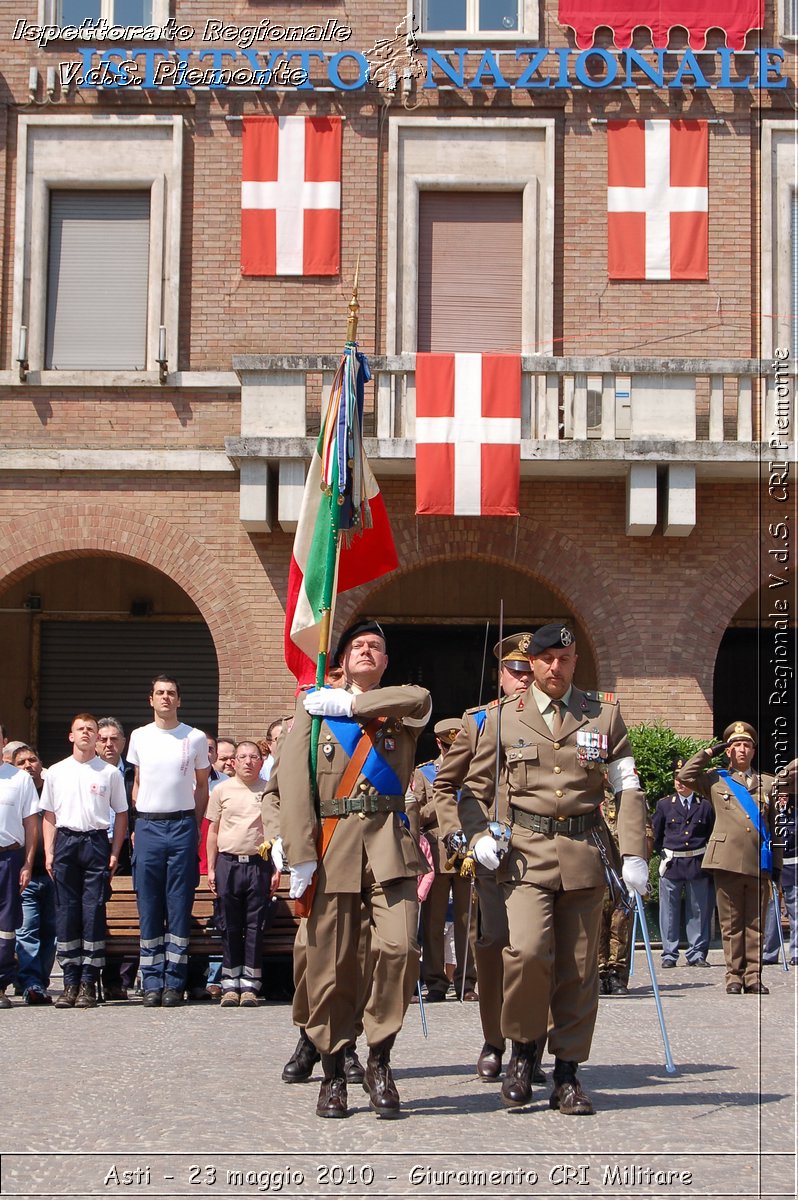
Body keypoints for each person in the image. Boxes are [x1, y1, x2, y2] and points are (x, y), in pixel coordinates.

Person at [460, 622, 649, 1114]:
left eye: (564, 660)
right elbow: (473, 790)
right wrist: (479, 835)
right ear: (533, 664)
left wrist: (633, 854)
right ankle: (522, 1049)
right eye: (545, 660)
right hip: (525, 855)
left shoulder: (603, 715)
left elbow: (627, 786)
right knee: (525, 953)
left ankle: (567, 1071)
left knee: (580, 970)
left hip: (585, 855)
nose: (554, 668)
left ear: (573, 663)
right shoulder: (502, 719)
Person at [280, 619, 431, 1119]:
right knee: (331, 966)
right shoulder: (312, 711)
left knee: (400, 947)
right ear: (341, 660)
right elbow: (295, 785)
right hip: (332, 847)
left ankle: (380, 1056)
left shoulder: (399, 706)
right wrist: (300, 852)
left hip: (389, 846)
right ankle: (332, 1071)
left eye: (377, 647)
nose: (368, 651)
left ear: (385, 662)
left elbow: (420, 699)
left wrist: (349, 704)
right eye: (358, 646)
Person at [433, 633, 544, 1082]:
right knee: (494, 946)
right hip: (496, 856)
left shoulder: (557, 721)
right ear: (500, 677)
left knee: (537, 951)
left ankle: (531, 1041)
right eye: (513, 671)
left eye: (527, 670)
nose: (521, 679)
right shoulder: (478, 722)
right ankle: (495, 1039)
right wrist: (463, 836)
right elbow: (445, 785)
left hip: (545, 852)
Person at [127, 675, 210, 1007]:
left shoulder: (195, 737)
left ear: (179, 700)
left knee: (178, 903)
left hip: (181, 826)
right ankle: (151, 981)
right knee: (148, 902)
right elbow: (137, 780)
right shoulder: (139, 737)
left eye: (171, 693)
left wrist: (195, 823)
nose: (165, 698)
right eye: (159, 693)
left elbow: (202, 785)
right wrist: (140, 817)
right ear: (151, 700)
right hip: (148, 826)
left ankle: (174, 982)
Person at [678, 723, 780, 995]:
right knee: (731, 923)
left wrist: (777, 865)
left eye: (747, 745)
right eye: (735, 745)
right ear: (728, 751)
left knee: (755, 922)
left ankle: (753, 976)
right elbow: (686, 774)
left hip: (759, 861)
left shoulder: (767, 783)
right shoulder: (715, 779)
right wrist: (709, 751)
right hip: (726, 860)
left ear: (754, 751)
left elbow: (773, 825)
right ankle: (734, 976)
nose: (741, 749)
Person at [40, 714, 128, 1008]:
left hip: (95, 842)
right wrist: (49, 852)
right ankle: (69, 982)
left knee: (93, 911)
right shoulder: (56, 771)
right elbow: (49, 815)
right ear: (71, 736)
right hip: (66, 842)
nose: (87, 734)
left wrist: (115, 850)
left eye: (91, 730)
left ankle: (89, 982)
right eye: (81, 729)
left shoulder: (109, 772)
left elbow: (122, 815)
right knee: (66, 911)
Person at [413, 718, 477, 1003]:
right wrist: (442, 802)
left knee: (469, 921)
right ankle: (436, 982)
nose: (453, 751)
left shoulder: (475, 771)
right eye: (448, 746)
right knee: (433, 922)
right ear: (439, 744)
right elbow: (415, 815)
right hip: (438, 855)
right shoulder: (425, 773)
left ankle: (467, 981)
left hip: (470, 855)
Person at [206, 741, 272, 1006]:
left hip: (259, 863)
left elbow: (276, 831)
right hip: (228, 863)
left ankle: (250, 986)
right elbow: (212, 831)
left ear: (261, 761)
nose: (248, 761)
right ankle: (230, 984)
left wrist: (277, 868)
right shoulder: (221, 790)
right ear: (233, 762)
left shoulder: (270, 791)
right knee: (229, 924)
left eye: (253, 757)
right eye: (242, 757)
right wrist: (211, 868)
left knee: (255, 926)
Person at [652, 755, 715, 969]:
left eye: (683, 778)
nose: (679, 782)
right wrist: (663, 855)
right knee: (668, 911)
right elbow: (657, 835)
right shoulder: (664, 805)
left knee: (698, 910)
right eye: (676, 778)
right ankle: (669, 953)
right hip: (672, 863)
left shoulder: (705, 806)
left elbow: (709, 833)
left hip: (697, 862)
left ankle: (696, 953)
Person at [96, 718, 138, 1000]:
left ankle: (120, 980)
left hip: (127, 848)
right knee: (98, 911)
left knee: (129, 911)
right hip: (96, 846)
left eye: (115, 739)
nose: (109, 744)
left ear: (123, 743)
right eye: (104, 739)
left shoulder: (136, 773)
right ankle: (96, 975)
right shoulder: (89, 771)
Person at [12, 745, 56, 1004]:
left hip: (52, 874)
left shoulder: (52, 792)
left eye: (32, 759)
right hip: (26, 875)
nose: (28, 765)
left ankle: (39, 980)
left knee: (50, 932)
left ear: (41, 763)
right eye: (21, 762)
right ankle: (31, 982)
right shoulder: (15, 792)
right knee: (27, 929)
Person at [0, 753, 38, 1008]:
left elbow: (31, 823)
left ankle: (0, 984)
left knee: (5, 925)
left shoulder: (20, 779)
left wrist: (28, 863)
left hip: (9, 857)